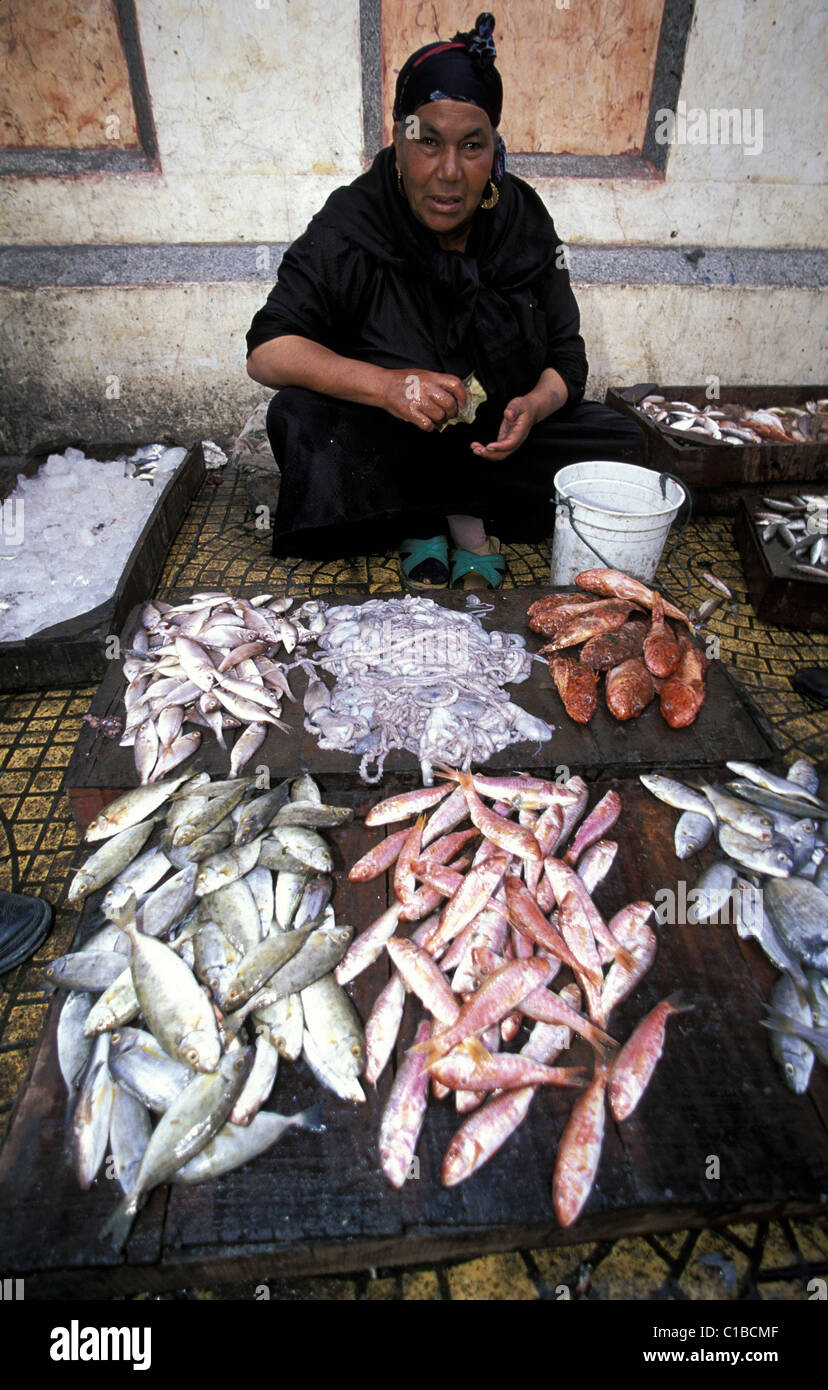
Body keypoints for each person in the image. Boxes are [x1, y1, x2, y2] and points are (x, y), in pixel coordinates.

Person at [246, 12, 644, 589]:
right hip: (389, 433)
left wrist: (532, 406)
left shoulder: (523, 221)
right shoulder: (354, 220)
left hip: (493, 442)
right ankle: (447, 515)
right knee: (302, 419)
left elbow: (567, 356)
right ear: (400, 138)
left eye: (472, 146)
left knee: (622, 444)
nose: (450, 172)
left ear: (494, 149)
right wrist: (387, 386)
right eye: (428, 141)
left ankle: (424, 510)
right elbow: (268, 352)